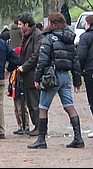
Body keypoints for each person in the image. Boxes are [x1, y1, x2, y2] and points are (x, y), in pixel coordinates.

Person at [29, 12, 84, 149]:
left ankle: (41, 139)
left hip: (51, 76)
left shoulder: (47, 38)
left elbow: (42, 60)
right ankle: (78, 137)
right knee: (69, 106)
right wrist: (77, 81)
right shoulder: (69, 38)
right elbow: (75, 60)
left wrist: (37, 78)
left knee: (43, 107)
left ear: (51, 23)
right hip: (66, 75)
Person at [16, 12, 43, 136]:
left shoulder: (37, 35)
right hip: (27, 74)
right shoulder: (27, 36)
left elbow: (36, 54)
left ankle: (39, 126)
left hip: (33, 73)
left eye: (21, 24)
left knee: (35, 102)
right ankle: (36, 125)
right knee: (30, 103)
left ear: (27, 24)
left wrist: (24, 67)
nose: (19, 26)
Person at [9, 19, 30, 135]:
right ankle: (21, 125)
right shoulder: (17, 50)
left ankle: (24, 125)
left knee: (21, 105)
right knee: (18, 106)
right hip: (15, 79)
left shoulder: (18, 50)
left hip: (19, 78)